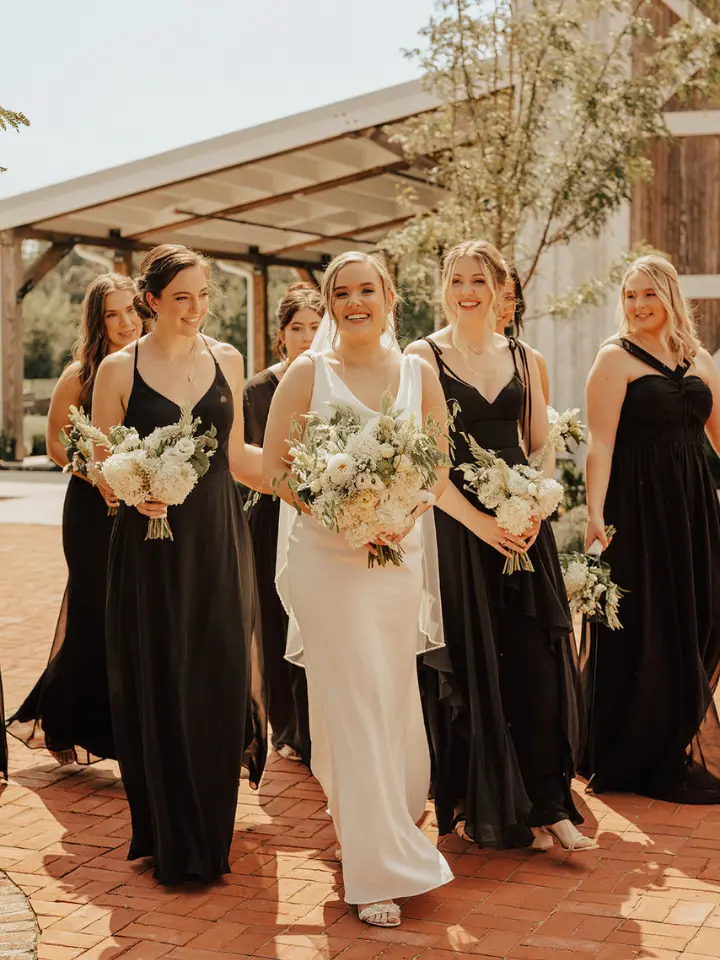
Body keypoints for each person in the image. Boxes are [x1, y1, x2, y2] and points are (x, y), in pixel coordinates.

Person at [263, 251, 453, 927]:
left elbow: (438, 462)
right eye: (341, 292)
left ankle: (369, 821)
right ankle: (374, 872)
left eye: (365, 289)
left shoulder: (418, 372)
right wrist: (337, 513)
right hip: (326, 561)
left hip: (395, 560)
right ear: (329, 302)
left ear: (389, 295)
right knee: (352, 702)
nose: (353, 302)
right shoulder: (309, 374)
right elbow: (272, 467)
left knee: (387, 694)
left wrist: (401, 514)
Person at [407, 239, 595, 853]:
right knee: (475, 664)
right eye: (457, 280)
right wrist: (484, 524)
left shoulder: (525, 355)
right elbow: (428, 470)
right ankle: (484, 803)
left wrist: (536, 506)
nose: (467, 292)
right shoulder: (423, 357)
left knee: (537, 662)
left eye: (478, 281)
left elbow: (539, 445)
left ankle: (550, 802)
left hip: (524, 526)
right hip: (461, 529)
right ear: (444, 287)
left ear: (498, 289)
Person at [92, 244, 266, 884]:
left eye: (204, 295)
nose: (195, 308)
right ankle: (171, 835)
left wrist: (311, 488)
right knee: (160, 679)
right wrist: (133, 488)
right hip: (150, 547)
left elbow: (241, 455)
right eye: (182, 297)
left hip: (220, 540)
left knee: (218, 677)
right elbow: (101, 465)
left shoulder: (228, 359)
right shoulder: (119, 369)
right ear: (152, 301)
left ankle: (211, 834)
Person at [581, 254, 720, 803]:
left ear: (670, 297)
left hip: (693, 508)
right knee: (649, 624)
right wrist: (594, 513)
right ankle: (637, 752)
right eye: (629, 295)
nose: (637, 306)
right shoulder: (613, 359)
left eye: (648, 295)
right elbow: (601, 442)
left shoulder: (700, 358)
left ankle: (672, 730)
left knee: (704, 613)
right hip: (637, 509)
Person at [7, 274, 141, 765]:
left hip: (139, 508)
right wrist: (98, 472)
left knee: (128, 618)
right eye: (113, 313)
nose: (126, 321)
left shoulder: (153, 367)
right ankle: (66, 722)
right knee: (90, 615)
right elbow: (56, 444)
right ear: (97, 320)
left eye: (132, 310)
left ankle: (114, 726)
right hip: (89, 509)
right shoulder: (78, 374)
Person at [244, 282, 322, 764]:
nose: (308, 337)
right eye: (298, 328)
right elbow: (256, 456)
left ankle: (320, 724)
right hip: (273, 511)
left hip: (325, 512)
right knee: (276, 620)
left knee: (316, 617)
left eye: (316, 327)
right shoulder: (258, 389)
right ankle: (289, 726)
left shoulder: (334, 379)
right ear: (282, 335)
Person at [497, 264, 551, 403]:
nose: (500, 306)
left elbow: (545, 420)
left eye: (508, 298)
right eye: (494, 295)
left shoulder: (532, 360)